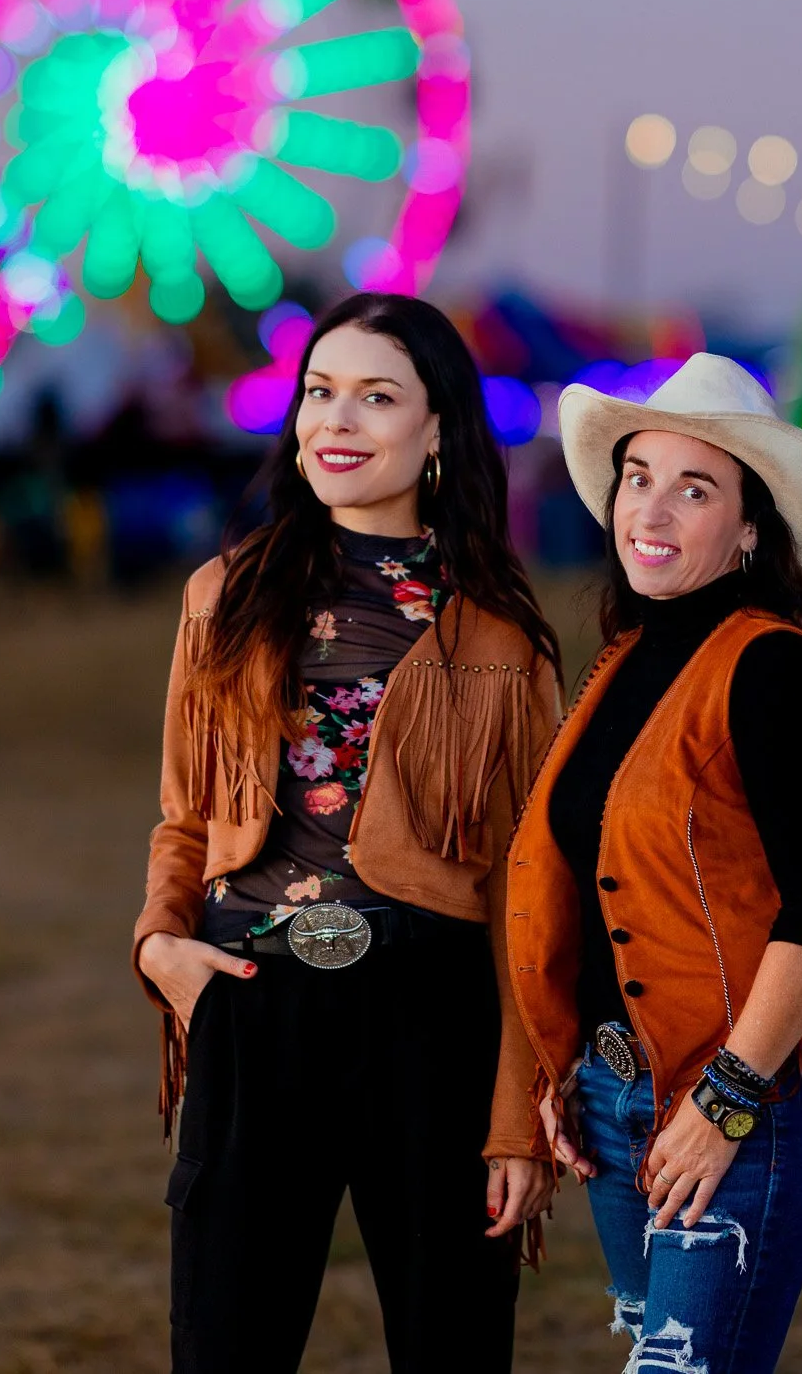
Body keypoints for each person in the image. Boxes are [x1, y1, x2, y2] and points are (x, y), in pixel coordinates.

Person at [132, 293, 561, 1374]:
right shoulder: (222, 597)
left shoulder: (500, 638)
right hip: (248, 999)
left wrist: (515, 1113)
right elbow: (182, 815)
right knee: (224, 1345)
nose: (338, 419)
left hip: (432, 1018)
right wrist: (157, 948)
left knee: (451, 1346)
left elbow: (531, 886)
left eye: (377, 396)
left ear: (437, 431)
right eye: (319, 391)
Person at [510, 353, 802, 1374]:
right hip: (618, 1103)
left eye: (693, 487)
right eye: (637, 478)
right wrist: (567, 1059)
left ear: (748, 527)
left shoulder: (772, 663)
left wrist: (723, 1105)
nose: (651, 510)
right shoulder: (623, 659)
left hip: (737, 1102)